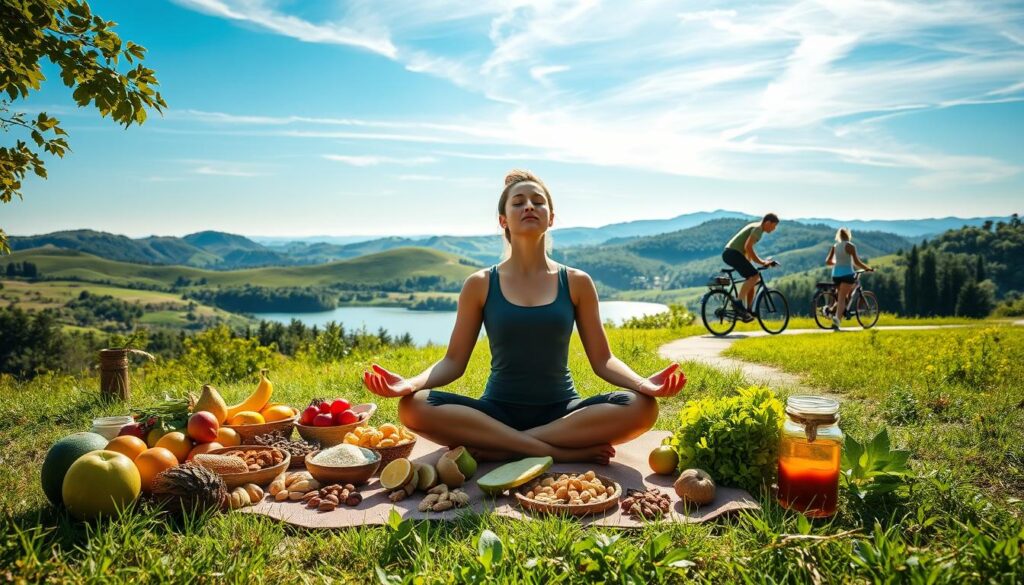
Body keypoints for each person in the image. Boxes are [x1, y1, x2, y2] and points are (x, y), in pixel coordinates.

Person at [361, 169, 686, 464]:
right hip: (495, 413)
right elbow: (453, 362)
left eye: (537, 201)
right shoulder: (479, 284)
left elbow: (603, 360)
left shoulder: (576, 282)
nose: (529, 206)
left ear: (551, 217)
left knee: (643, 407)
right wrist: (411, 383)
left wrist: (644, 384)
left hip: (564, 414)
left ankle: (503, 449)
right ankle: (556, 452)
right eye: (518, 202)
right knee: (413, 407)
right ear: (503, 220)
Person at [722, 213, 779, 321]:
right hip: (733, 254)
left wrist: (750, 264)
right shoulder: (758, 229)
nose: (774, 229)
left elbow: (747, 251)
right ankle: (738, 303)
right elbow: (747, 247)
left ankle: (748, 310)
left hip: (730, 254)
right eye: (774, 226)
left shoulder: (756, 226)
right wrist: (762, 262)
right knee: (755, 276)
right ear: (768, 222)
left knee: (751, 278)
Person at [824, 228, 874, 330]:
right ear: (848, 235)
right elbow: (857, 263)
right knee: (842, 298)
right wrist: (868, 268)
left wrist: (837, 263)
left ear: (839, 236)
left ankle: (834, 312)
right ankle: (837, 320)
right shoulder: (850, 246)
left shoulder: (835, 246)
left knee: (842, 297)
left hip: (836, 275)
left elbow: (828, 261)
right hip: (847, 274)